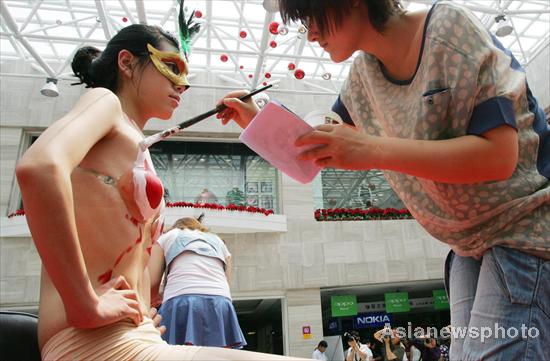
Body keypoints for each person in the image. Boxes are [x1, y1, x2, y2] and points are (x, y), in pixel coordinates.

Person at [216, 1, 549, 359]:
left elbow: (497, 157)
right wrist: (256, 121)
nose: (310, 33)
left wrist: (374, 149)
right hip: (466, 244)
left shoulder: (449, 28)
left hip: (522, 228)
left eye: (312, 15)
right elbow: (320, 152)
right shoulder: (362, 77)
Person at [15, 15, 308, 361]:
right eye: (171, 67)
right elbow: (39, 167)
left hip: (136, 337)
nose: (182, 85)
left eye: (185, 75)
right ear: (126, 62)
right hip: (94, 344)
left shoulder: (133, 141)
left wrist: (143, 310)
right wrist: (85, 305)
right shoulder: (104, 102)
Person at [148, 217, 246, 348]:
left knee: (176, 353)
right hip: (220, 303)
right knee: (217, 355)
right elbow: (226, 282)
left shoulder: (168, 236)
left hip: (180, 301)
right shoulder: (218, 241)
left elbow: (152, 282)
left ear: (177, 227)